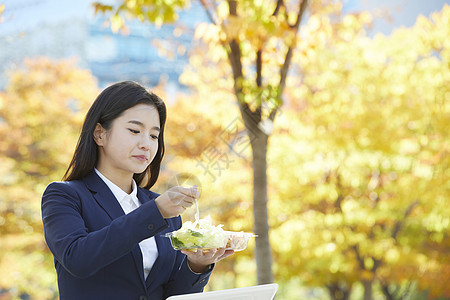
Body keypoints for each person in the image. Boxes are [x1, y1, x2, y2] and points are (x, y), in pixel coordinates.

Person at [41, 81, 234, 300]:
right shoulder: (64, 196)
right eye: (134, 130)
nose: (147, 144)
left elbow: (173, 295)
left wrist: (196, 266)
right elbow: (77, 259)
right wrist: (155, 212)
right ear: (99, 134)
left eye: (154, 136)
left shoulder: (162, 208)